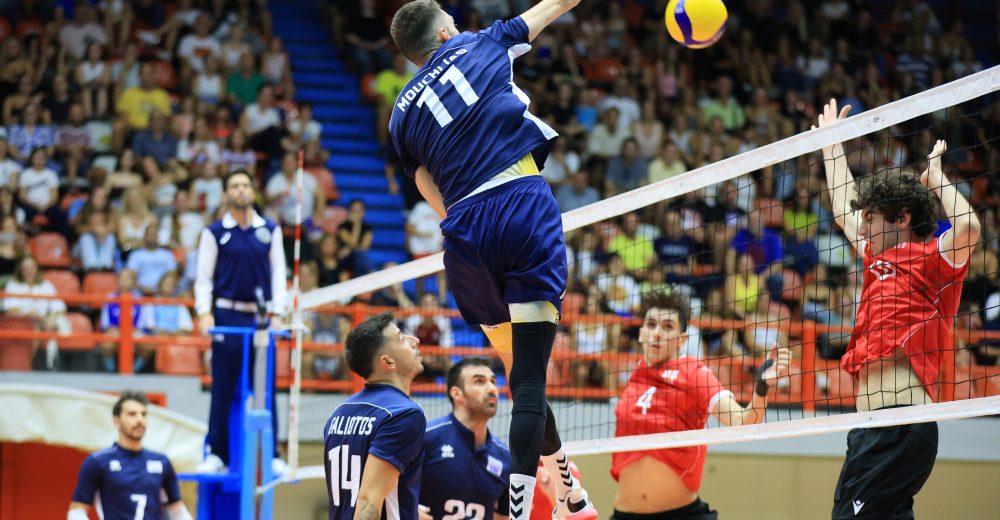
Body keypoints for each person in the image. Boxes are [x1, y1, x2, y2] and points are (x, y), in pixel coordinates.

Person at [388, 2, 596, 519]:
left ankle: (567, 487)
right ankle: (520, 508)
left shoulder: (400, 113)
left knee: (522, 372)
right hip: (520, 205)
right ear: (444, 32)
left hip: (464, 233)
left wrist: (461, 218)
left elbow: (423, 181)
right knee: (528, 379)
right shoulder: (481, 42)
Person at [815, 99, 980, 519]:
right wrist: (831, 145)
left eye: (871, 218)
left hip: (900, 422)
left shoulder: (932, 259)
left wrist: (936, 179)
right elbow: (843, 209)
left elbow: (968, 227)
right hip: (871, 429)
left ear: (901, 217)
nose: (863, 226)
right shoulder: (876, 259)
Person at [612, 290, 791, 520]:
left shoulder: (693, 372)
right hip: (625, 515)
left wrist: (762, 386)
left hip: (682, 516)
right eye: (652, 324)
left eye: (667, 327)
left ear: (682, 339)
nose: (657, 333)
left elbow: (743, 421)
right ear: (641, 333)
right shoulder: (635, 378)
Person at [194, 169, 287, 475]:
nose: (241, 190)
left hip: (260, 318)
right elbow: (203, 278)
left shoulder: (270, 229)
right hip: (226, 315)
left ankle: (272, 455)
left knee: (266, 387)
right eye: (235, 186)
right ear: (226, 194)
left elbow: (279, 274)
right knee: (222, 387)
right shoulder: (214, 232)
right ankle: (217, 454)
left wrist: (278, 312)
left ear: (253, 190)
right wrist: (204, 312)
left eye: (246, 184)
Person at [324, 312, 425, 519]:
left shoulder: (339, 412)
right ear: (388, 361)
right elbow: (368, 502)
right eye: (401, 338)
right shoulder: (404, 414)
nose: (414, 340)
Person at [68, 391, 193, 520]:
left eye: (143, 414)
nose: (139, 420)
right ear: (117, 421)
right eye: (132, 414)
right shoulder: (98, 461)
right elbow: (76, 512)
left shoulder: (161, 461)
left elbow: (178, 511)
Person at [420, 357, 510, 520]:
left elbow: (502, 516)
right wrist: (407, 511)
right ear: (457, 393)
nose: (492, 389)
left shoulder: (505, 457)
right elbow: (386, 491)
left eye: (493, 381)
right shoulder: (425, 439)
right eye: (479, 381)